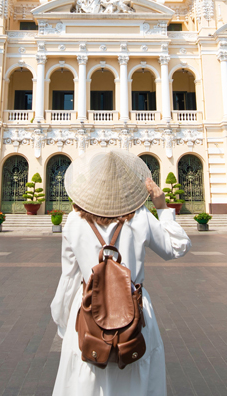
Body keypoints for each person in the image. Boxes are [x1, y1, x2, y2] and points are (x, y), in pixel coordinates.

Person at [51, 149, 191, 395]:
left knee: (86, 379)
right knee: (136, 376)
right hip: (134, 311)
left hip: (87, 310)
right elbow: (177, 247)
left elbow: (69, 278)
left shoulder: (74, 220)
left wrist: (64, 322)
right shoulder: (139, 216)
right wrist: (163, 208)